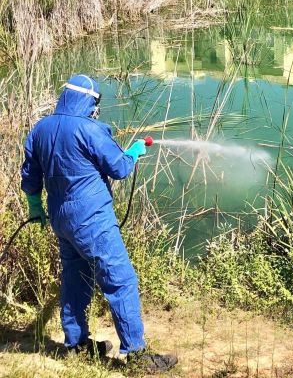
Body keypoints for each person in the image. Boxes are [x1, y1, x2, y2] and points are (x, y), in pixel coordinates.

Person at [21, 74, 177, 373]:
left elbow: (30, 176)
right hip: (92, 219)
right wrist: (133, 152)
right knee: (120, 280)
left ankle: (76, 344)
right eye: (96, 103)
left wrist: (34, 206)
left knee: (75, 278)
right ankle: (137, 356)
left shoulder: (40, 128)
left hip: (60, 218)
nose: (96, 109)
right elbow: (118, 168)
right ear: (88, 100)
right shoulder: (90, 129)